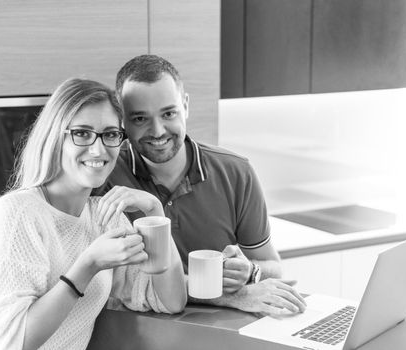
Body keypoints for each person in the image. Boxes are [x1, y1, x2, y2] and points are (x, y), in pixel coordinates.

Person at [0, 78, 187, 350]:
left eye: (110, 134)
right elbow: (9, 342)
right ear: (55, 137)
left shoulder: (105, 219)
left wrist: (154, 211)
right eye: (82, 133)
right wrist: (88, 265)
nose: (98, 149)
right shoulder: (18, 214)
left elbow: (170, 301)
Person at [94, 55, 306, 317]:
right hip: (136, 330)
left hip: (218, 330)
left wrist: (250, 271)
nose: (158, 131)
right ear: (122, 121)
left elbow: (272, 265)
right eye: (140, 119)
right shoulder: (103, 178)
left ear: (185, 106)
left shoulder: (236, 172)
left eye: (168, 113)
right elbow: (118, 282)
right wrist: (229, 296)